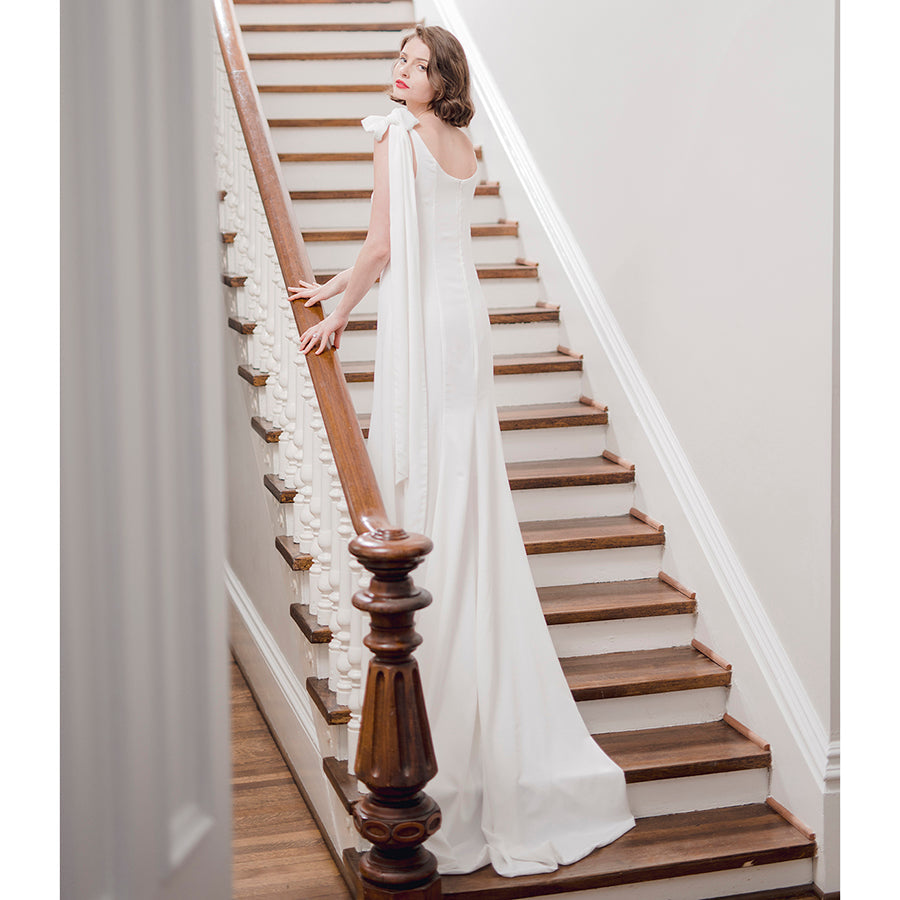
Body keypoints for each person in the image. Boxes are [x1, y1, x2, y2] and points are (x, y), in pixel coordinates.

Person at [288, 24, 635, 878]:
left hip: (424, 327)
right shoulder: (462, 144)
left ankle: (429, 667)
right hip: (462, 323)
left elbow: (381, 245)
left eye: (415, 64)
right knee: (461, 487)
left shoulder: (398, 136)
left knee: (427, 481)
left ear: (440, 77)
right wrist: (334, 286)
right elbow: (398, 245)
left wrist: (338, 313)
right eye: (398, 61)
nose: (399, 73)